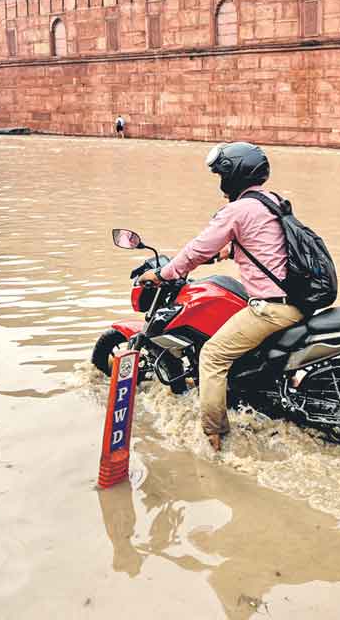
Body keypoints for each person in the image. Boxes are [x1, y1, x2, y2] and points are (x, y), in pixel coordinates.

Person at [137, 142, 301, 452]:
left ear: (233, 175)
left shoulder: (237, 209)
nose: (220, 182)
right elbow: (266, 245)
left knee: (212, 357)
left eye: (221, 175)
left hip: (271, 309)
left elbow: (198, 248)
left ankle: (214, 434)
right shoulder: (272, 201)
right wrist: (228, 252)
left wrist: (163, 274)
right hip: (296, 302)